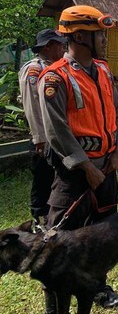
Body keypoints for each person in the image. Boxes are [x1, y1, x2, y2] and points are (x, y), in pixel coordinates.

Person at [39, 5, 118, 310]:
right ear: (79, 35)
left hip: (107, 167)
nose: (104, 38)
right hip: (76, 173)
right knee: (60, 238)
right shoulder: (55, 78)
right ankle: (55, 303)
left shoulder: (103, 70)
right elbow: (56, 130)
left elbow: (117, 111)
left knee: (102, 234)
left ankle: (99, 288)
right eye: (99, 33)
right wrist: (85, 166)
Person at [18, 29, 66, 226]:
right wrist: (39, 138)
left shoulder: (56, 67)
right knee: (43, 177)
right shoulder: (34, 69)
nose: (63, 48)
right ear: (48, 47)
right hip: (43, 136)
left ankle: (53, 215)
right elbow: (32, 105)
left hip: (56, 135)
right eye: (60, 45)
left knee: (56, 176)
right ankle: (39, 218)